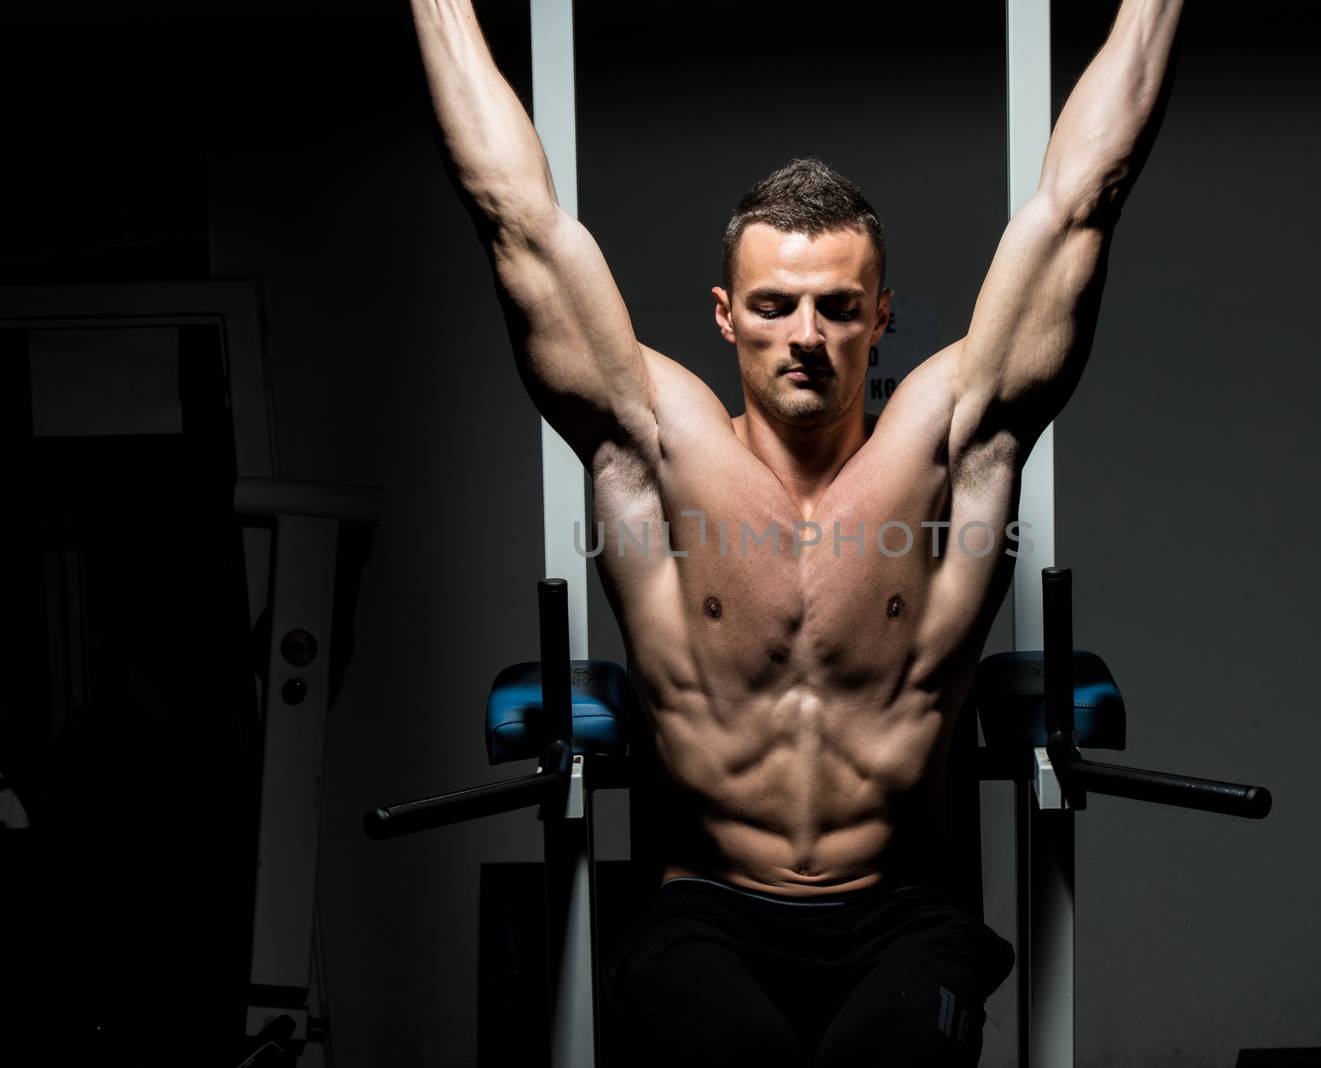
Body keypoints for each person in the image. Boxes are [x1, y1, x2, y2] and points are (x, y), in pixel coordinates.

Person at [409, 1, 1185, 1063]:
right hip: (706, 915)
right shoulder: (654, 442)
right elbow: (514, 213)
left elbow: (1078, 203)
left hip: (907, 911)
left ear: (880, 315)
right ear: (726, 313)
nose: (805, 338)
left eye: (835, 307)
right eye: (774, 307)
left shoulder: (951, 442)